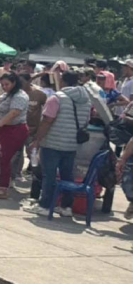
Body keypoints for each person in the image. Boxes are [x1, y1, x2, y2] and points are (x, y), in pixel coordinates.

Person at [26, 70, 92, 217]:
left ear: (62, 81)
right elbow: (86, 121)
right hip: (72, 144)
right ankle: (66, 207)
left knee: (49, 175)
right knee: (67, 175)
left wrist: (37, 140)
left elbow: (47, 121)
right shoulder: (86, 100)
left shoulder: (57, 98)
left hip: (53, 143)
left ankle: (44, 205)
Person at [0, 73, 29, 198]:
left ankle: (2, 187)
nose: (4, 87)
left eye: (7, 84)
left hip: (14, 130)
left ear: (14, 83)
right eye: (3, 84)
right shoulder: (6, 94)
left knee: (5, 158)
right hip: (2, 129)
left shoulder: (20, 96)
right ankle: (0, 181)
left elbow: (14, 113)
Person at [12, 73, 47, 189]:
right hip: (18, 127)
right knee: (16, 153)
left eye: (22, 82)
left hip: (32, 130)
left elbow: (47, 110)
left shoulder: (39, 94)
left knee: (32, 154)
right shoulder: (16, 94)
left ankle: (36, 177)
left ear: (29, 81)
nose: (20, 85)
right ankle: (15, 175)